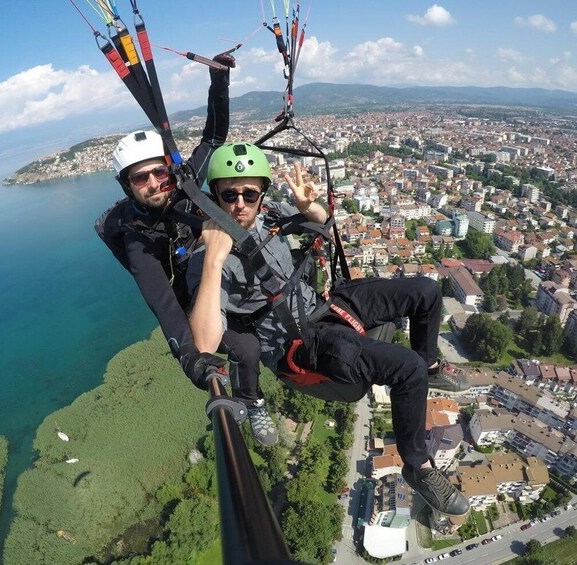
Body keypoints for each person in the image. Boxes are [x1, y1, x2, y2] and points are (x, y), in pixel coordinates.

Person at [186, 142, 471, 516]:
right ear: (214, 197)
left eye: (249, 193)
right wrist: (214, 259)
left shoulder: (270, 213)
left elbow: (321, 223)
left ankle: (431, 365)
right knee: (406, 367)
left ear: (262, 194)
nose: (240, 203)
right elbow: (204, 342)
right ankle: (418, 465)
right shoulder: (204, 259)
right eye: (229, 194)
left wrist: (308, 208)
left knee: (426, 292)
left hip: (326, 303)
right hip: (299, 342)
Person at [95, 56, 278, 446]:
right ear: (127, 186)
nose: (154, 182)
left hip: (216, 275)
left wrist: (219, 82)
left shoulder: (185, 186)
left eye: (159, 171)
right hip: (193, 300)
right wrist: (191, 358)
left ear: (168, 168)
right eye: (140, 178)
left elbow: (213, 138)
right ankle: (253, 401)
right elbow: (163, 304)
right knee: (245, 348)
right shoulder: (137, 240)